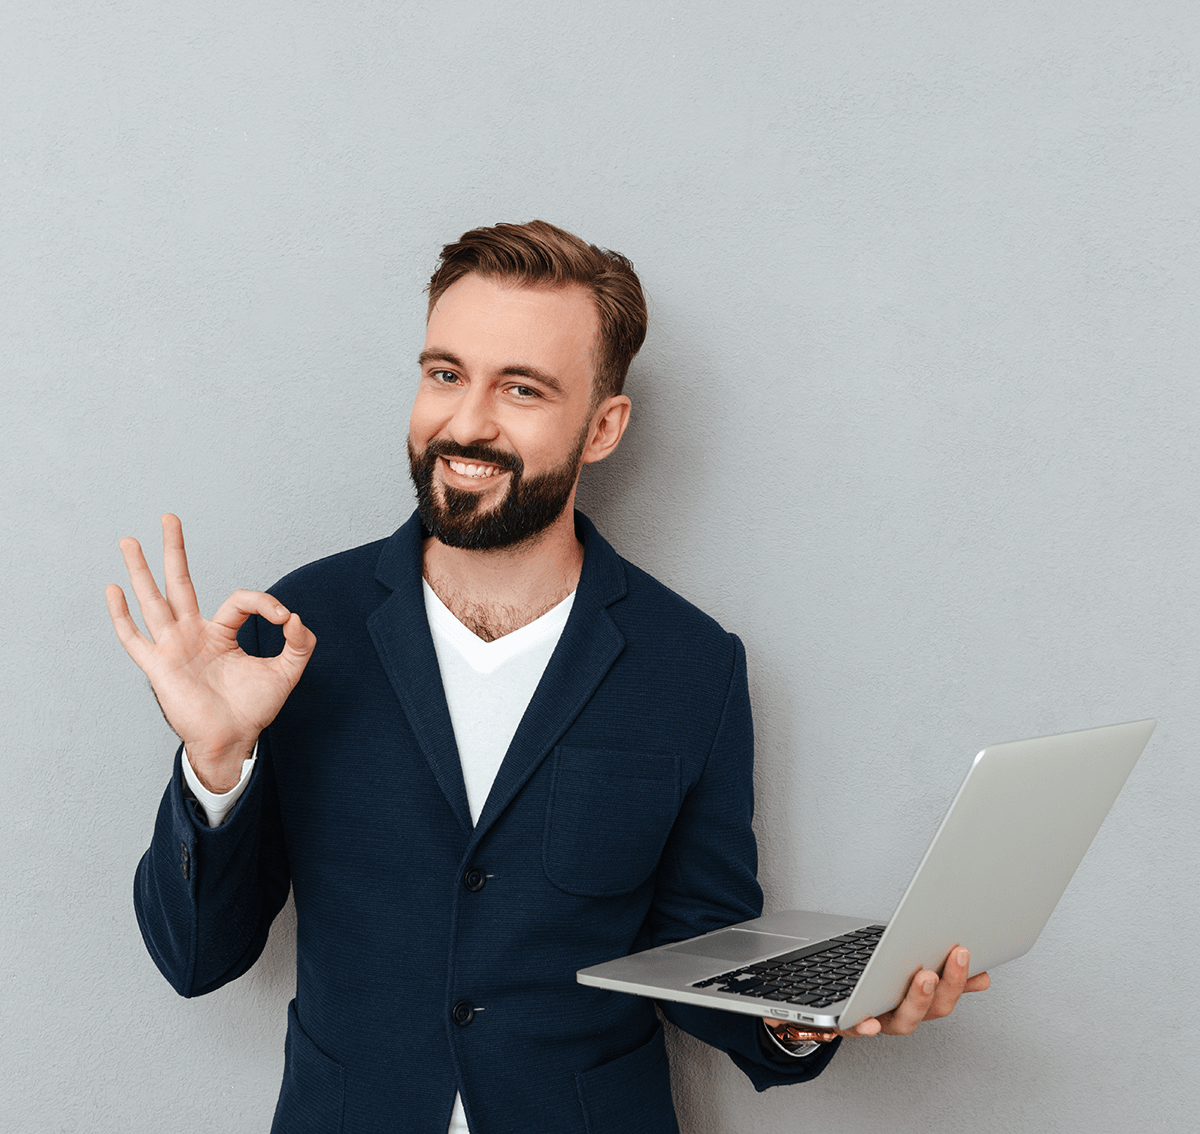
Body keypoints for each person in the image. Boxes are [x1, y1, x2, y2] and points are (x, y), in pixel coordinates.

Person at [107, 221, 987, 1134]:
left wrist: (801, 1016)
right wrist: (215, 762)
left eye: (520, 388)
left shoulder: (691, 663)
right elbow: (196, 958)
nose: (467, 423)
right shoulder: (298, 629)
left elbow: (694, 947)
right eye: (446, 374)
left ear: (602, 427)